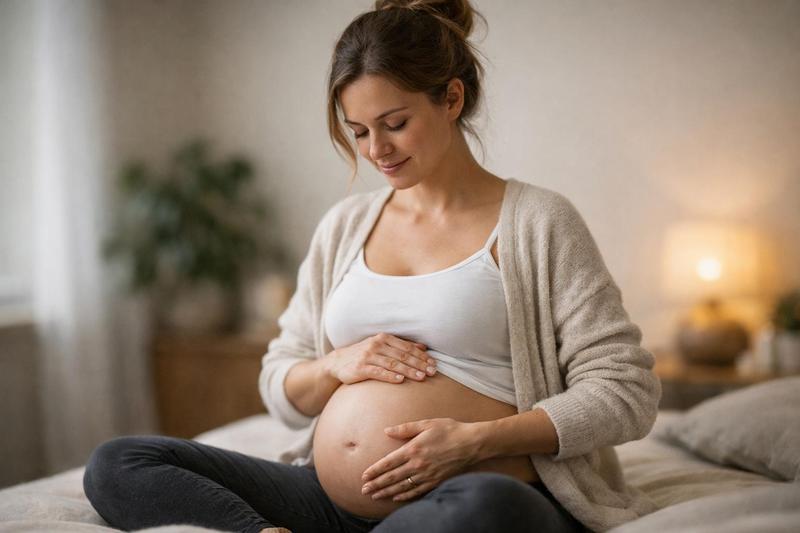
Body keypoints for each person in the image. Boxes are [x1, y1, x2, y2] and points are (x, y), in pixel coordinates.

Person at [82, 1, 662, 532]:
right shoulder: (345, 225)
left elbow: (625, 390)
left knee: (490, 512)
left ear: (452, 99)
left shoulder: (538, 221)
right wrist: (337, 364)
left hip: (468, 495)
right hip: (325, 500)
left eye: (395, 123)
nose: (375, 150)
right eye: (357, 131)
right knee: (119, 464)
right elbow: (280, 379)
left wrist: (475, 443)